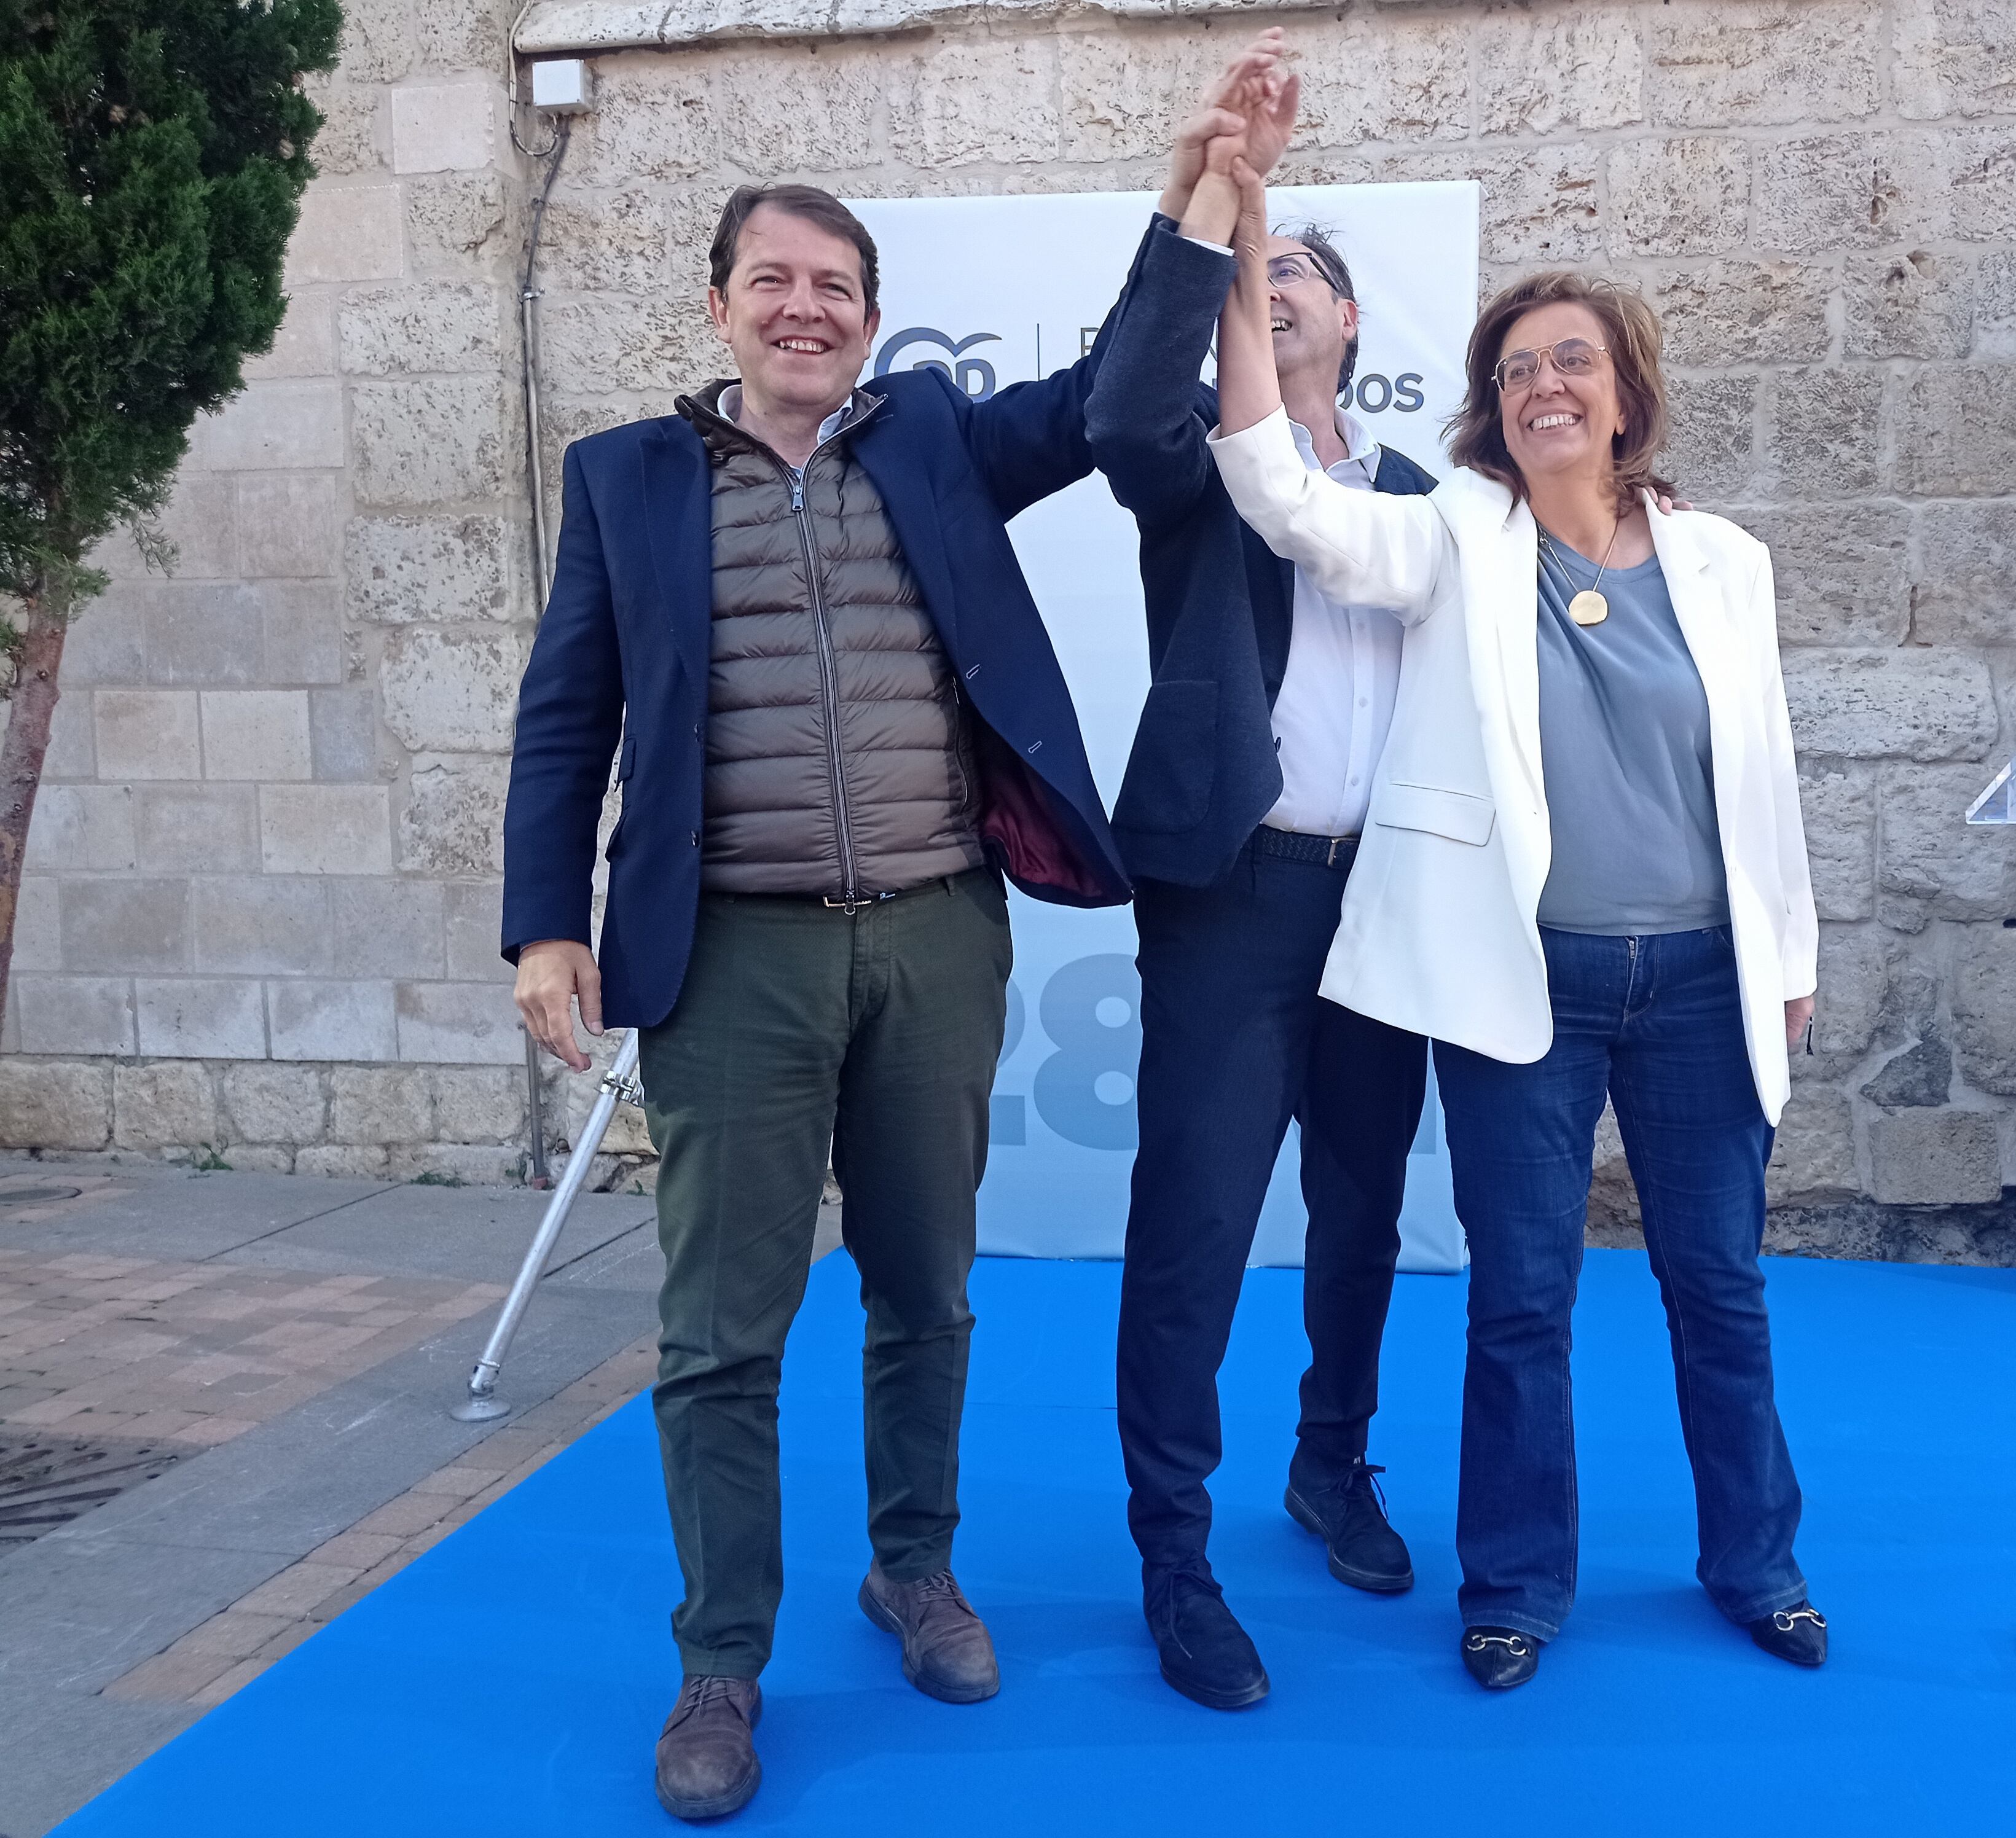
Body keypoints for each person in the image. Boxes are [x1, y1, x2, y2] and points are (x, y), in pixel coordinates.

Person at [500, 182, 1227, 1818]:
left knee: (925, 1290)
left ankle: (915, 1570)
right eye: (774, 279)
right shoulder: (623, 480)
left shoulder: (942, 445)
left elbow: (1120, 393)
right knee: (719, 1335)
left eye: (837, 284)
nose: (806, 307)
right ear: (721, 308)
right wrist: (545, 924)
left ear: (872, 312)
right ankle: (720, 1667)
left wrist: (1198, 212)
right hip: (729, 961)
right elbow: (567, 717)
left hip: (932, 938)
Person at [1202, 154, 1829, 1692]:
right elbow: (1279, 490)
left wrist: (1790, 959)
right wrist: (1240, 251)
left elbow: (1762, 777)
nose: (1544, 384)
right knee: (1519, 1295)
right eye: (1515, 367)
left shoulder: (1723, 563)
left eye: (1573, 362)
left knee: (1718, 1287)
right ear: (1492, 403)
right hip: (1522, 984)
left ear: (1623, 394)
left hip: (1699, 979)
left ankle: (1757, 1560)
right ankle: (1515, 1584)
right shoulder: (1450, 536)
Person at [1079, 37, 1440, 1711]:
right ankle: (1175, 1553)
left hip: (1390, 906)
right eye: (1258, 279)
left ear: (1354, 320)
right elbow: (1123, 404)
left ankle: (1330, 1463)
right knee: (1201, 1222)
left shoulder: (1438, 504)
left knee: (1362, 1209)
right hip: (1236, 895)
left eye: (1302, 274)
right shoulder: (1196, 475)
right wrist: (1224, 207)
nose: (1278, 288)